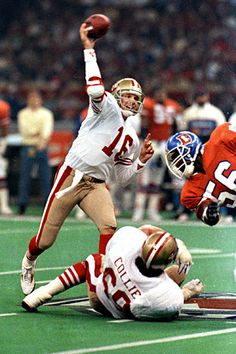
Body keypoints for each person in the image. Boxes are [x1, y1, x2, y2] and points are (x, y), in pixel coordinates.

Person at [20, 23, 154, 295]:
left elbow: (120, 178)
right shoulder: (104, 108)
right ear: (116, 95)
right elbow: (94, 89)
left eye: (134, 98)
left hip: (96, 185)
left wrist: (140, 162)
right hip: (72, 176)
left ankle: (102, 280)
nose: (130, 101)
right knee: (46, 240)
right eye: (126, 96)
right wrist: (89, 49)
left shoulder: (133, 137)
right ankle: (29, 260)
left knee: (109, 226)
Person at [22, 224, 203, 320]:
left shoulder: (127, 243)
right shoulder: (166, 294)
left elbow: (146, 229)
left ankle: (43, 293)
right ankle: (43, 293)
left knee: (94, 261)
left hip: (106, 292)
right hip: (116, 305)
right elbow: (140, 313)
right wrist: (185, 293)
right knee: (180, 273)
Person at [165, 122, 236, 226]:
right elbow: (209, 218)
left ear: (190, 150)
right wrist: (209, 213)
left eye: (177, 157)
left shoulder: (220, 137)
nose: (177, 164)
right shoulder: (189, 193)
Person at [132, 87, 182, 222]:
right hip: (151, 142)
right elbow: (143, 125)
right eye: (159, 93)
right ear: (154, 94)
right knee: (144, 179)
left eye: (163, 93)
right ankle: (139, 209)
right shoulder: (148, 104)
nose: (161, 95)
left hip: (164, 143)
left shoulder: (173, 105)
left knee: (157, 180)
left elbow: (177, 126)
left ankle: (152, 210)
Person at [17, 89, 54, 215]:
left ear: (40, 100)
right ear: (28, 100)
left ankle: (47, 205)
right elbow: (26, 130)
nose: (34, 101)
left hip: (42, 146)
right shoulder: (23, 113)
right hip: (28, 146)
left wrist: (42, 139)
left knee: (45, 177)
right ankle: (22, 204)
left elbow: (47, 130)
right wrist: (37, 132)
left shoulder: (46, 113)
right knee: (25, 177)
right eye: (31, 98)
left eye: (36, 98)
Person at [0, 99, 13, 215]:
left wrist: (3, 142)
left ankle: (4, 205)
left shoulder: (2, 107)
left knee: (1, 175)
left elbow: (5, 129)